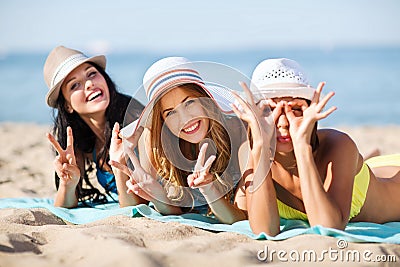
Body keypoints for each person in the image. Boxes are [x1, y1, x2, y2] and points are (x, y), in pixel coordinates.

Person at [235, 58, 400, 236]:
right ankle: (369, 158)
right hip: (365, 170)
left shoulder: (339, 144)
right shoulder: (251, 152)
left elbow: (328, 228)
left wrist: (301, 147)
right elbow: (264, 230)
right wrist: (260, 146)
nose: (282, 122)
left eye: (295, 109)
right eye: (268, 111)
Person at [110, 57, 249, 224]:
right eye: (170, 113)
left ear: (205, 100)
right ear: (162, 121)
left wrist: (209, 190)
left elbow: (242, 219)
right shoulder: (155, 142)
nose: (185, 119)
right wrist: (119, 164)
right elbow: (132, 211)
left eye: (189, 103)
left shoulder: (237, 131)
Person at [43, 45, 145, 208]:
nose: (89, 83)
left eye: (92, 73)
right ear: (68, 105)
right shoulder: (78, 139)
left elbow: (139, 206)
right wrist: (67, 184)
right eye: (74, 85)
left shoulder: (136, 123)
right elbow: (64, 206)